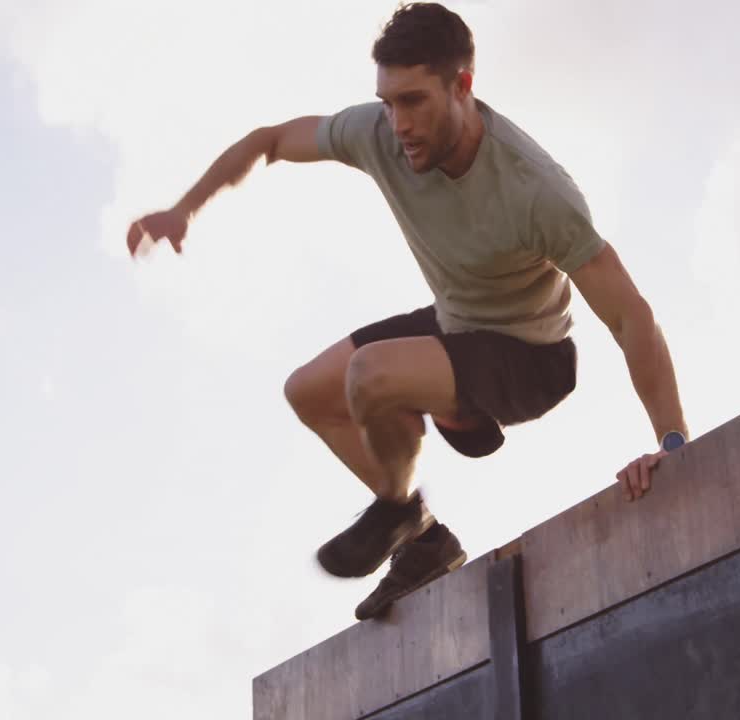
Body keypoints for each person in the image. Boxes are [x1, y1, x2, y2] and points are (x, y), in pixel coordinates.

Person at [126, 2, 689, 621]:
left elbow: (631, 317)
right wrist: (184, 209)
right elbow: (271, 141)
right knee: (309, 391)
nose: (399, 124)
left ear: (462, 86)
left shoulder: (535, 190)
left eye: (415, 101)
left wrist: (675, 446)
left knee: (371, 374)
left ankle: (398, 505)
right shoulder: (379, 133)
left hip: (531, 358)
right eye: (388, 102)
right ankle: (424, 542)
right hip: (457, 320)